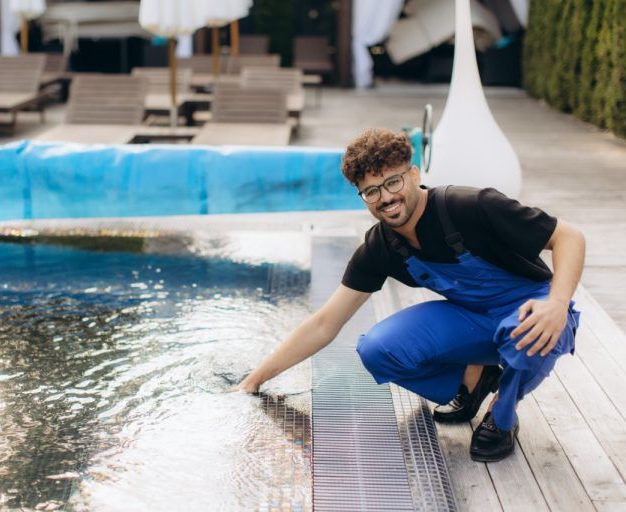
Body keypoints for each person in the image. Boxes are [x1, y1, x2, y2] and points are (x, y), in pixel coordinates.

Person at [235, 127, 585, 462]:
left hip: (533, 309)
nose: (385, 197)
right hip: (475, 320)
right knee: (377, 349)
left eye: (392, 181)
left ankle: (502, 416)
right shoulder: (381, 246)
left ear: (414, 174)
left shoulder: (470, 206)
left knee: (526, 337)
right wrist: (255, 379)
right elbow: (325, 323)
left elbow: (569, 237)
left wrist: (556, 304)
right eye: (371, 191)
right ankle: (476, 380)